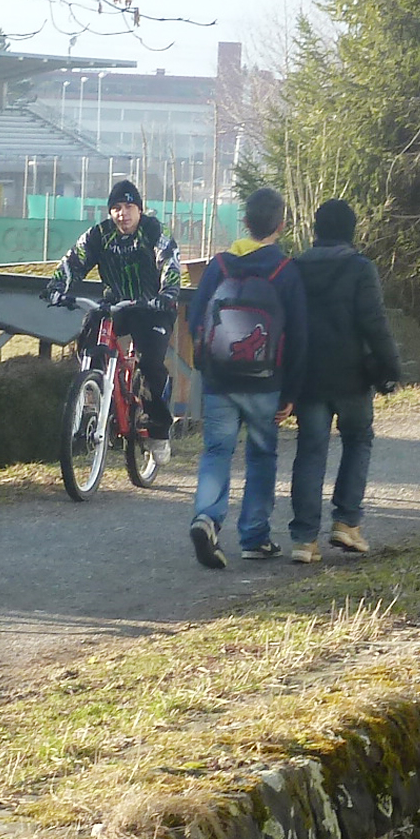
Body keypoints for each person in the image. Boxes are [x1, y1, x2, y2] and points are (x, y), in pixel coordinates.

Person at [186, 187, 307, 569]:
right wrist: (291, 393)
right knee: (261, 455)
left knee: (216, 452)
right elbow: (299, 335)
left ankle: (206, 518)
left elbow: (195, 319)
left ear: (244, 222)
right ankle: (254, 536)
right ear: (281, 225)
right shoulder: (285, 271)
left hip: (219, 380)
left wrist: (206, 366)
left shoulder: (220, 266)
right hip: (265, 384)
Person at [287, 200, 402, 563]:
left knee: (310, 451)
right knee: (358, 439)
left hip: (309, 376)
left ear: (316, 230)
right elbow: (374, 322)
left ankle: (304, 540)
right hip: (352, 376)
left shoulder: (296, 267)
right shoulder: (360, 268)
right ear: (351, 231)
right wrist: (391, 368)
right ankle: (347, 522)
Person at [45, 178, 182, 464]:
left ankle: (158, 430)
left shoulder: (153, 230)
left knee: (150, 362)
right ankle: (96, 392)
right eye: (117, 208)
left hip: (153, 307)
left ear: (140, 209)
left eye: (129, 207)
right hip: (116, 306)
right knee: (89, 336)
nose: (123, 214)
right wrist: (57, 286)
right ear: (110, 212)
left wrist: (167, 293)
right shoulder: (99, 235)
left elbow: (169, 261)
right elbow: (73, 261)